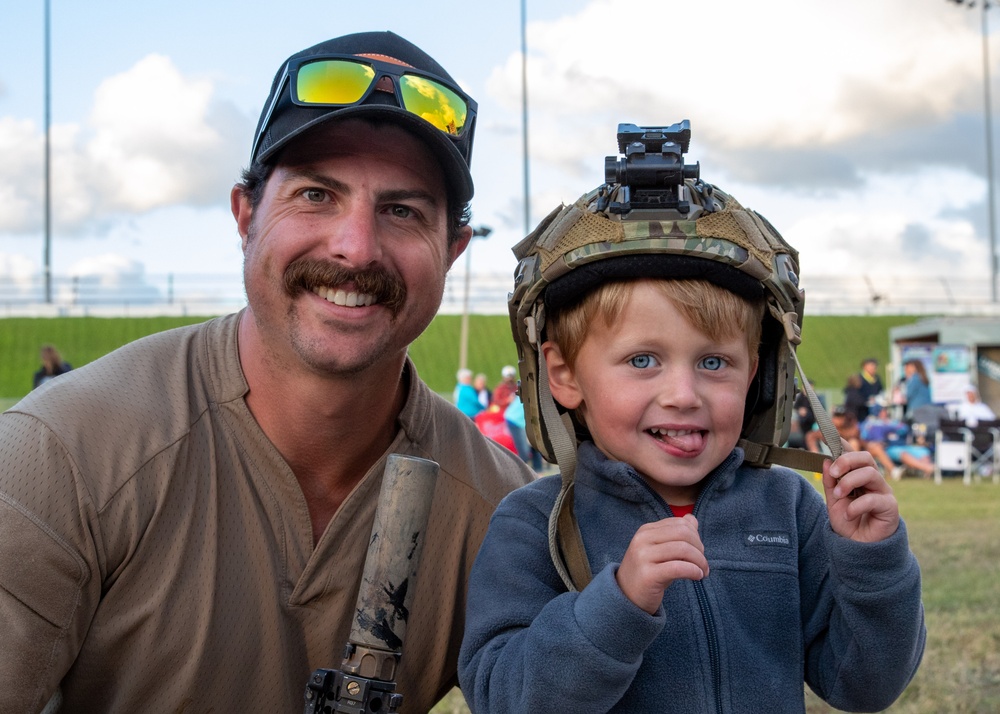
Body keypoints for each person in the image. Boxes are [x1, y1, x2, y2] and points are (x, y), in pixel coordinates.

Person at [0, 32, 535, 713]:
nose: (355, 247)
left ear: (453, 250)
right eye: (316, 195)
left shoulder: (502, 514)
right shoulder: (62, 457)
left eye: (402, 210)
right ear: (245, 215)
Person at [459, 122, 925, 713]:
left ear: (756, 372)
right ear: (564, 376)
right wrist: (616, 605)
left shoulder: (789, 508)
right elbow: (503, 697)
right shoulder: (535, 525)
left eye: (713, 362)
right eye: (642, 360)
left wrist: (872, 563)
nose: (683, 394)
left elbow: (865, 687)